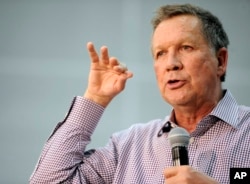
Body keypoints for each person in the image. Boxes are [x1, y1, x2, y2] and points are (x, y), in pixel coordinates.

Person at [30, 3, 250, 184]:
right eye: (160, 53)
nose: (170, 64)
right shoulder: (127, 146)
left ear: (220, 61)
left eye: (186, 48)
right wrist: (95, 99)